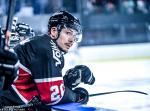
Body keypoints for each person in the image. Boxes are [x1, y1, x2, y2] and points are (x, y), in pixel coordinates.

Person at [0, 10, 95, 109]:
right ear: (54, 31)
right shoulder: (47, 47)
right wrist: (77, 96)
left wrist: (66, 82)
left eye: (75, 36)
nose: (72, 40)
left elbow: (42, 90)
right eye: (68, 33)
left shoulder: (40, 43)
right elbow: (53, 97)